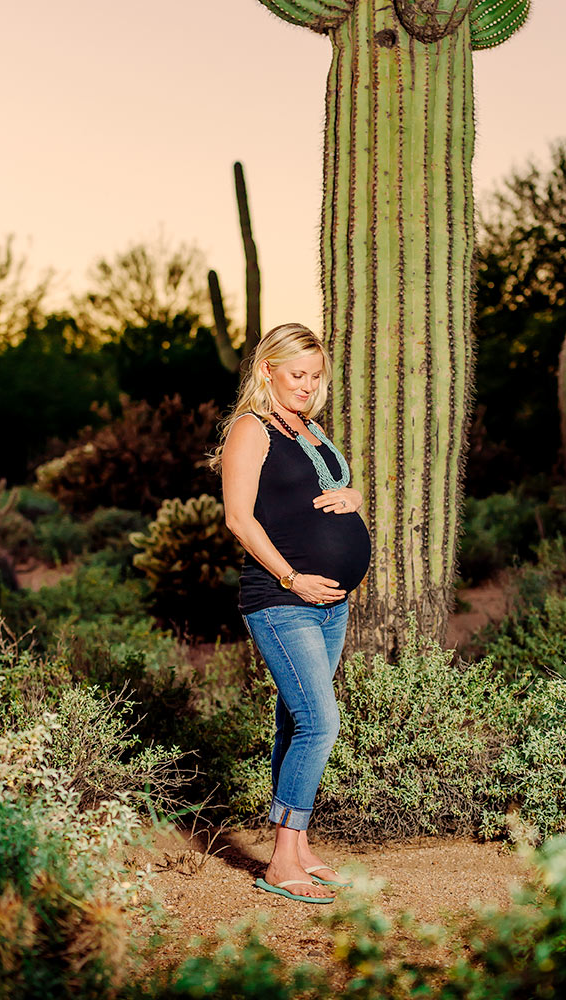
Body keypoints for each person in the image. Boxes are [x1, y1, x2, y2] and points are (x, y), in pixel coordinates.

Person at [211, 323, 371, 903]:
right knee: (320, 723)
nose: (307, 384)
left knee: (295, 721)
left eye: (314, 375)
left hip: (330, 605)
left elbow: (338, 493)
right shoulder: (251, 429)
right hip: (282, 601)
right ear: (267, 371)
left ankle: (299, 847)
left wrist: (355, 498)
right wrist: (292, 577)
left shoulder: (312, 430)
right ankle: (281, 860)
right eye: (296, 373)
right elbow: (239, 519)